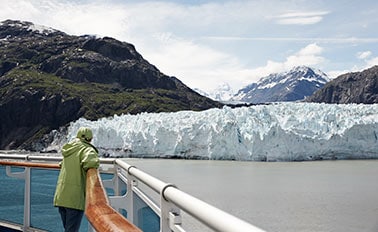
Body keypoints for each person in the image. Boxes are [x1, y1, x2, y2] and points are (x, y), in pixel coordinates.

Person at [53, 127, 100, 232]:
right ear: (90, 138)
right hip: (74, 198)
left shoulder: (69, 149)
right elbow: (91, 162)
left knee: (68, 229)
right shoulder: (87, 149)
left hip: (62, 196)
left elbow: (62, 164)